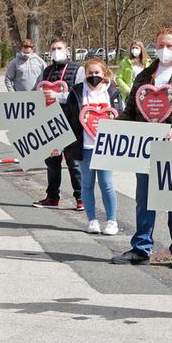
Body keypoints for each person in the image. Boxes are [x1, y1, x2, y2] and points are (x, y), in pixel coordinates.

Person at [110, 27, 172, 269]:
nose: (164, 50)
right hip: (146, 147)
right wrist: (111, 127)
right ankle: (142, 248)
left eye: (169, 46)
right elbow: (131, 111)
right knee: (144, 199)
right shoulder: (145, 76)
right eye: (160, 45)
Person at [67, 57, 123, 235]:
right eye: (90, 73)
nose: (93, 76)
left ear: (104, 73)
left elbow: (121, 116)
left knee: (106, 183)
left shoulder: (113, 92)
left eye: (97, 72)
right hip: (84, 146)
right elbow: (68, 117)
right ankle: (92, 220)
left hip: (107, 147)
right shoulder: (76, 92)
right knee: (87, 183)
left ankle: (111, 221)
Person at [32, 39, 84, 210]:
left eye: (59, 48)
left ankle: (81, 198)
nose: (56, 51)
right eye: (53, 48)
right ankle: (52, 197)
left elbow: (80, 95)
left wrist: (58, 96)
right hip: (50, 122)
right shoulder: (46, 71)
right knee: (52, 162)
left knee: (73, 163)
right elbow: (34, 93)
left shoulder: (78, 69)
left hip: (71, 121)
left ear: (67, 50)